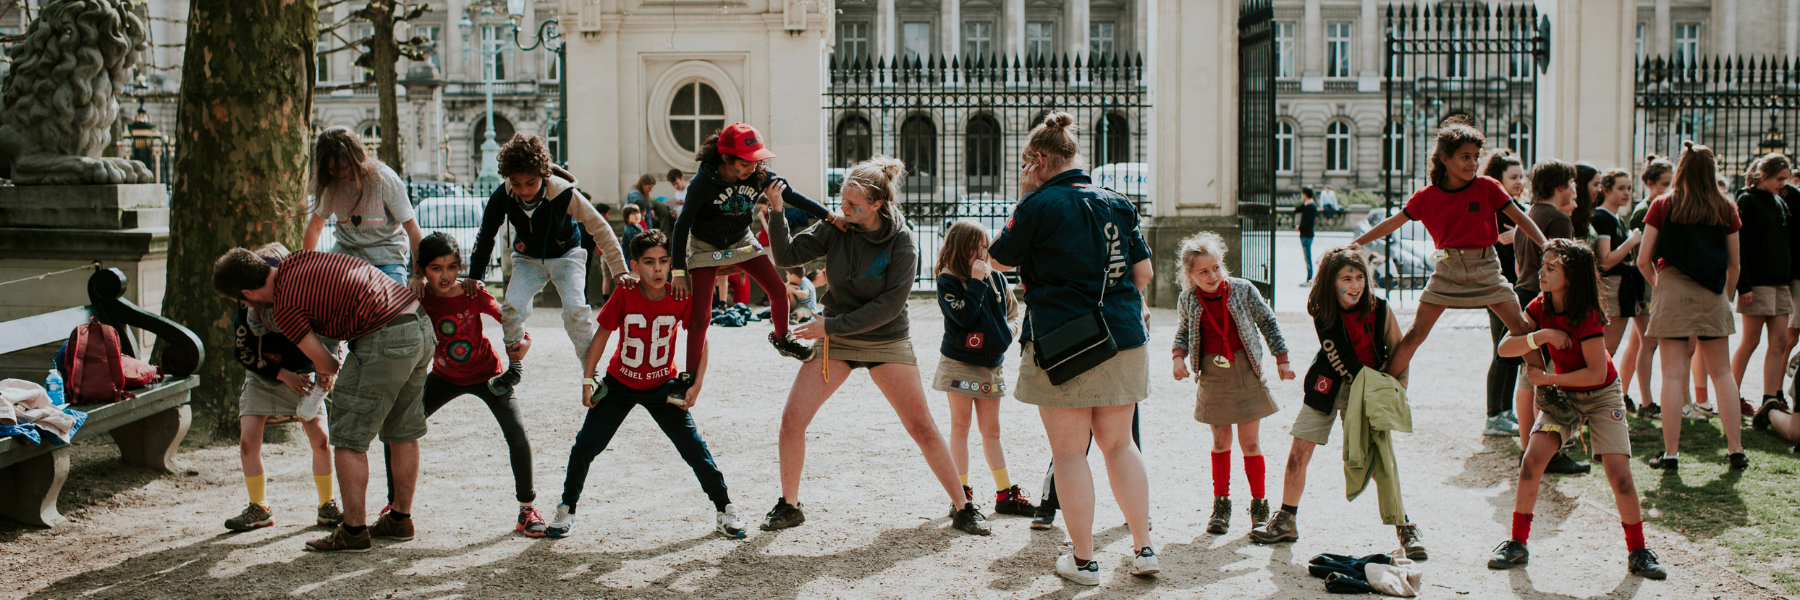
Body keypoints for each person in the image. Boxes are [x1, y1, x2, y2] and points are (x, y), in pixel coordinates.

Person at [759, 155, 990, 537]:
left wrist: (829, 326)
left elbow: (889, 307)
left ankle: (964, 507)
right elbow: (786, 257)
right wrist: (778, 211)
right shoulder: (837, 225)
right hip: (837, 336)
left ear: (878, 204)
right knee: (792, 420)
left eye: (854, 205)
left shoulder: (903, 240)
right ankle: (789, 505)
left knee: (923, 427)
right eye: (843, 201)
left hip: (884, 337)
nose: (843, 210)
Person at [989, 111, 1158, 586]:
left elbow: (999, 256)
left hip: (1063, 341)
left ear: (1040, 159)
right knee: (1120, 444)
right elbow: (1142, 275)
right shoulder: (1117, 202)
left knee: (1069, 453)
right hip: (1122, 334)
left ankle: (1084, 561)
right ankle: (1144, 548)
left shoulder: (1039, 205)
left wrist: (1024, 198)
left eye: (1028, 163)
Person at [211, 245, 430, 553]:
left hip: (383, 336)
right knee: (402, 430)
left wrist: (327, 372)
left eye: (239, 300)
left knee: (348, 439)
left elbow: (328, 365)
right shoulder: (299, 259)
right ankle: (400, 519)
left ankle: (353, 531)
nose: (243, 306)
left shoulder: (283, 308)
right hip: (418, 322)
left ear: (247, 293)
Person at [1487, 239, 1668, 580]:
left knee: (1620, 477)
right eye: (1543, 265)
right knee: (1531, 462)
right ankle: (1517, 543)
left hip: (1600, 395)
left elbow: (1597, 373)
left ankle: (1639, 550)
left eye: (1551, 268)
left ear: (1572, 276)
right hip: (1564, 397)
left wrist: (1549, 376)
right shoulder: (1540, 307)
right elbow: (1506, 347)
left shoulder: (1587, 313)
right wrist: (1541, 336)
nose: (1542, 272)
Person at [549, 230, 747, 540]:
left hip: (662, 383)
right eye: (649, 262)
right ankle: (566, 508)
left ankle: (725, 509)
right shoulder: (625, 293)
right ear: (635, 266)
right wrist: (588, 379)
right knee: (586, 445)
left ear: (672, 264)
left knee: (694, 449)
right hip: (620, 382)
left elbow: (700, 339)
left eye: (664, 261)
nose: (657, 269)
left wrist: (695, 384)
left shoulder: (680, 295)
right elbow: (602, 335)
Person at [1350, 119, 1547, 416]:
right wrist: (1356, 244)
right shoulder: (1427, 197)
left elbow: (1521, 219)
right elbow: (1392, 223)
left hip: (1486, 267)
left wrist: (1547, 245)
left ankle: (1549, 391)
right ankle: (1379, 393)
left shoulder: (1488, 187)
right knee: (1416, 333)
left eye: (1475, 157)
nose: (1472, 163)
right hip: (1447, 269)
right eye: (1465, 157)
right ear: (1446, 158)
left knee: (1520, 327)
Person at [1251, 246, 1426, 560]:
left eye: (1359, 277)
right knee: (1298, 453)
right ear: (1331, 282)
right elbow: (1340, 358)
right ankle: (1286, 520)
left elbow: (1399, 350)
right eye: (1347, 278)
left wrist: (1396, 390)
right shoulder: (1324, 310)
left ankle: (1405, 527)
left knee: (1378, 460)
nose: (1355, 285)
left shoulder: (1381, 308)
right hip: (1330, 383)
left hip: (1370, 387)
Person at [668, 123, 845, 405]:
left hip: (741, 240)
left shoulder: (760, 175)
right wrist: (678, 271)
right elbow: (682, 226)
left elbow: (793, 196)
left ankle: (783, 339)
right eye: (746, 162)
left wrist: (831, 216)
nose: (754, 167)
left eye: (757, 160)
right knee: (701, 317)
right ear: (726, 159)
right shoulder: (702, 183)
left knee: (777, 291)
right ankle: (687, 378)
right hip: (705, 246)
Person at [393, 233, 545, 536]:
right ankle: (394, 508)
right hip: (444, 377)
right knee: (397, 427)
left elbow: (506, 317)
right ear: (423, 270)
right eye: (436, 268)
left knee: (517, 434)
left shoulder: (472, 292)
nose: (446, 275)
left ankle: (526, 510)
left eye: (452, 267)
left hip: (487, 376)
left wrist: (524, 340)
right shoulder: (418, 296)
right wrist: (411, 284)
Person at [465, 134, 633, 372]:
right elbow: (486, 234)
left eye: (531, 183)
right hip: (527, 259)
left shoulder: (563, 193)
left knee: (575, 312)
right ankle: (514, 367)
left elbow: (600, 228)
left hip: (567, 255)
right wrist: (475, 274)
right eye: (516, 182)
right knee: (511, 309)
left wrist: (619, 270)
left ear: (543, 176)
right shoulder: (503, 195)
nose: (523, 190)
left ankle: (590, 372)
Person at [1171, 231, 1292, 535]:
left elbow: (1268, 322)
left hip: (1246, 369)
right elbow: (1183, 332)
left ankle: (1259, 505)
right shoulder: (1188, 299)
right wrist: (1178, 358)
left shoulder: (1242, 290)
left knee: (1250, 442)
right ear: (1190, 275)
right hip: (1212, 373)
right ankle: (1221, 504)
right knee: (1220, 441)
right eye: (1203, 271)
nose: (1212, 275)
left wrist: (1281, 358)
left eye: (1216, 268)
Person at [1639, 142, 1748, 471]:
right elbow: (1735, 266)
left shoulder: (1663, 204)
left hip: (1671, 286)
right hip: (1713, 291)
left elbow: (1644, 259)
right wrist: (1724, 297)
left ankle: (1671, 454)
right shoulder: (1726, 207)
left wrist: (1661, 288)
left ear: (1681, 169)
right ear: (1712, 171)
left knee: (1672, 375)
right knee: (1722, 373)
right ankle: (1735, 450)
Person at [224, 243, 342, 532]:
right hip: (264, 377)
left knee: (321, 441)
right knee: (248, 442)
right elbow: (245, 353)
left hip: (304, 378)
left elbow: (331, 338)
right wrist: (281, 374)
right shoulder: (249, 308)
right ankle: (258, 507)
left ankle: (327, 505)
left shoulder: (305, 301)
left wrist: (325, 369)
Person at [934, 220, 1036, 516]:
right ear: (958, 249)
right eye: (973, 249)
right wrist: (976, 282)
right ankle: (961, 495)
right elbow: (964, 318)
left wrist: (1008, 331)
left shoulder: (997, 278)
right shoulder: (948, 279)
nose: (981, 255)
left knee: (992, 430)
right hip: (960, 365)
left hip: (991, 366)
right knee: (960, 427)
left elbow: (1014, 311)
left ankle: (1005, 494)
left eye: (983, 248)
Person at [1513, 160, 1593, 475]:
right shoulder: (1557, 218)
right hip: (1546, 300)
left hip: (1525, 294)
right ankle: (1547, 451)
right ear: (1561, 185)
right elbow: (1566, 267)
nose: (1575, 190)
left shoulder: (1530, 213)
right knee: (1545, 376)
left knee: (1528, 373)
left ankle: (1527, 448)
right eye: (1572, 184)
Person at [302, 127, 424, 286]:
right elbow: (315, 228)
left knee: (395, 307)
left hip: (386, 260)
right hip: (345, 260)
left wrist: (419, 276)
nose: (339, 174)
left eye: (344, 167)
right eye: (332, 170)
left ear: (356, 157)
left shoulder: (384, 179)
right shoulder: (330, 184)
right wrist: (305, 268)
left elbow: (412, 228)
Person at [1730, 154, 1793, 418]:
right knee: (1751, 341)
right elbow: (1740, 246)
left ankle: (1769, 399)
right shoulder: (1746, 200)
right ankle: (1731, 395)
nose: (1783, 184)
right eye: (1779, 179)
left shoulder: (1779, 200)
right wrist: (1743, 285)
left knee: (1780, 340)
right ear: (1763, 175)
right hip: (1756, 283)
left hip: (1781, 282)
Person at [1623, 155, 1677, 418]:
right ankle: (1646, 402)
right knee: (1648, 343)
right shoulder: (1646, 209)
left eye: (1671, 183)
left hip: (1650, 279)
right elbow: (1639, 256)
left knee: (1638, 343)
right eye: (1664, 183)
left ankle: (1622, 394)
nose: (1668, 188)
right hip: (1646, 282)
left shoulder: (1659, 205)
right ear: (1649, 183)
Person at [1481, 149, 1528, 438]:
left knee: (1514, 351)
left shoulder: (1516, 208)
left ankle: (1505, 410)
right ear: (1498, 180)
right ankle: (1493, 416)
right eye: (1513, 177)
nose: (1519, 182)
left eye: (1522, 177)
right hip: (1499, 289)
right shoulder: (1492, 211)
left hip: (1514, 290)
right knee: (1502, 352)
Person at [1594, 169, 1646, 366]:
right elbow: (1605, 261)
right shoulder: (1601, 217)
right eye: (1621, 188)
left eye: (1629, 188)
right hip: (1611, 288)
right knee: (1607, 350)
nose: (1626, 193)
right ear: (1606, 190)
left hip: (1623, 288)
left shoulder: (1617, 219)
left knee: (1610, 351)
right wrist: (1632, 242)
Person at [1296, 188, 1319, 285]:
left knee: (1308, 258)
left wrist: (1300, 228)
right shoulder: (1307, 205)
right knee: (1307, 258)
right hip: (1305, 235)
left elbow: (1309, 222)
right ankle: (1309, 278)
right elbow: (1297, 210)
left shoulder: (1312, 207)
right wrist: (1305, 204)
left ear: (1305, 195)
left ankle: (1309, 279)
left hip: (1307, 235)